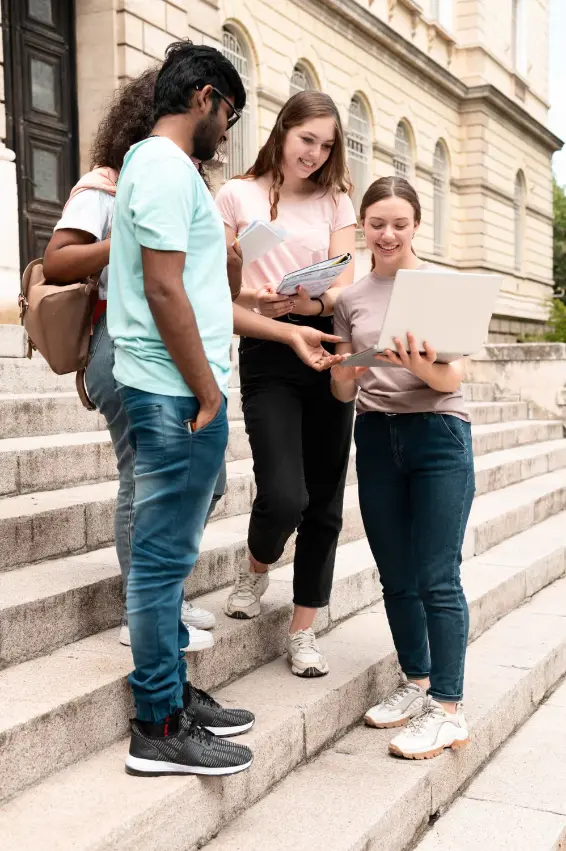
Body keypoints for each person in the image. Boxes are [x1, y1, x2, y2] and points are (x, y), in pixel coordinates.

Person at [106, 42, 342, 778]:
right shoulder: (166, 169)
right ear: (206, 98)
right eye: (229, 115)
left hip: (178, 383)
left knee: (167, 562)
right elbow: (167, 291)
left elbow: (205, 298)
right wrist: (208, 390)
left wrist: (286, 326)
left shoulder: (164, 169)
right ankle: (158, 723)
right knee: (159, 564)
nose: (228, 132)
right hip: (173, 391)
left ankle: (172, 691)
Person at [43, 68, 220, 651]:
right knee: (143, 477)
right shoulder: (108, 183)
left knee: (200, 481)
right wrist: (134, 240)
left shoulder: (180, 179)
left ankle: (159, 597)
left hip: (176, 349)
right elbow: (58, 263)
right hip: (118, 345)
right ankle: (140, 607)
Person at [331, 176, 475, 760]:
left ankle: (448, 707)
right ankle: (416, 684)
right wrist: (351, 370)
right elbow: (341, 390)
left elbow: (452, 377)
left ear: (416, 225)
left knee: (437, 574)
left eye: (399, 223)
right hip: (375, 434)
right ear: (363, 226)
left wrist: (421, 363)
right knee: (395, 572)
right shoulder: (348, 300)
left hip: (439, 432)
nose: (387, 234)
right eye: (376, 223)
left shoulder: (442, 286)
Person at [216, 91, 357, 678]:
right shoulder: (237, 194)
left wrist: (317, 298)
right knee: (284, 493)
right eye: (308, 140)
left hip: (327, 343)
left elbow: (348, 278)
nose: (316, 154)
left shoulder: (337, 199)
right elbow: (216, 281)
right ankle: (257, 564)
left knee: (323, 499)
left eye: (327, 146)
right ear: (282, 132)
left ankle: (304, 629)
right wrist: (261, 298)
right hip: (267, 344)